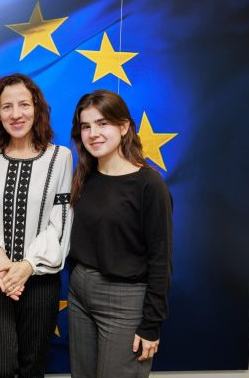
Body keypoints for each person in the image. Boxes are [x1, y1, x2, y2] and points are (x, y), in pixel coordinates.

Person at [0, 73, 72, 377]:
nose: (16, 114)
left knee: (33, 364)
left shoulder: (60, 157)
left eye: (24, 105)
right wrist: (2, 262)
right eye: (7, 107)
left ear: (37, 108)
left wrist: (27, 266)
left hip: (40, 279)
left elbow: (60, 223)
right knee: (0, 367)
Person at [67, 89, 173, 378]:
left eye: (103, 124)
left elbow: (161, 260)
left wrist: (151, 325)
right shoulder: (84, 176)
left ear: (124, 126)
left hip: (125, 300)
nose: (93, 133)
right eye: (86, 126)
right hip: (79, 293)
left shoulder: (149, 185)